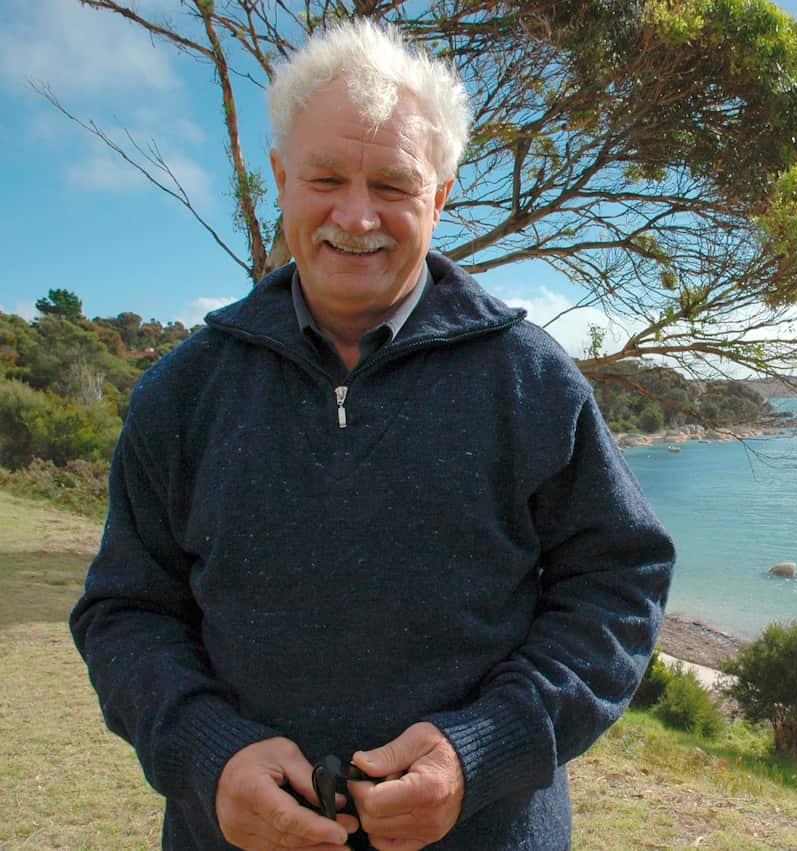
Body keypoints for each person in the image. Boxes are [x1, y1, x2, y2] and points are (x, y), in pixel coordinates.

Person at [70, 20, 674, 851]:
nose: (356, 217)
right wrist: (209, 754)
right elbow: (125, 611)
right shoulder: (182, 392)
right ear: (280, 177)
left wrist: (479, 751)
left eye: (393, 184)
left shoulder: (531, 381)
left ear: (442, 196)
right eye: (325, 177)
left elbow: (619, 587)